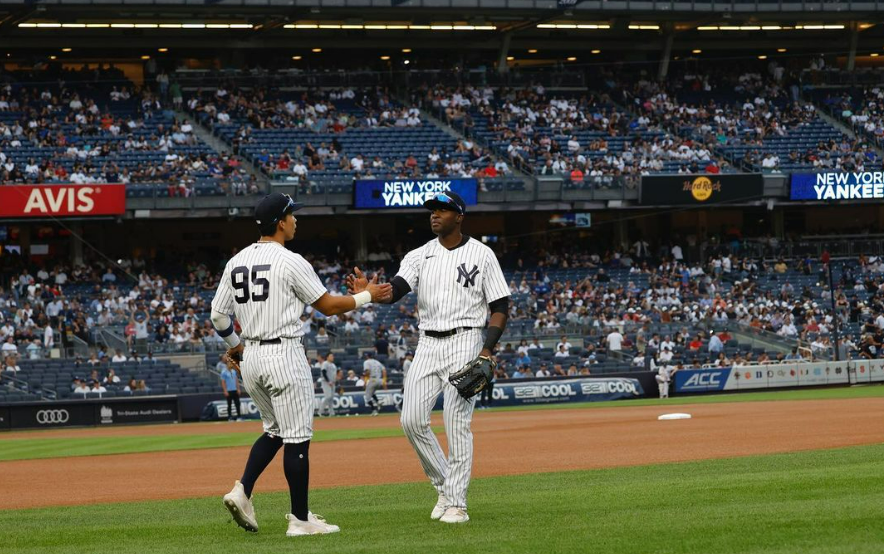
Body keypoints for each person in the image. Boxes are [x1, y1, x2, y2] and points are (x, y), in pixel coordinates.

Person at [212, 193, 391, 537]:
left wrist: (236, 348)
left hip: (253, 358)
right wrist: (368, 295)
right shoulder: (291, 260)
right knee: (297, 439)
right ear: (281, 222)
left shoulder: (235, 261)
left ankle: (243, 490)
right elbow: (328, 307)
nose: (296, 220)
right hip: (283, 354)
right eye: (292, 215)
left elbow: (218, 315)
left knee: (274, 431)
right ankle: (299, 520)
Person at [350, 191, 509, 524]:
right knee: (411, 420)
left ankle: (458, 505)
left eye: (443, 210)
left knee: (456, 424)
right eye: (432, 210)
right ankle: (445, 488)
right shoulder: (419, 255)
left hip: (465, 339)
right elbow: (395, 291)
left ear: (459, 216)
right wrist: (368, 294)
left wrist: (487, 349)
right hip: (427, 342)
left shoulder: (482, 254)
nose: (435, 215)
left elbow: (500, 307)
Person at [362, 351, 385, 416]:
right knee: (371, 392)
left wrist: (364, 374)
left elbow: (368, 371)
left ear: (367, 356)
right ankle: (378, 401)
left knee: (367, 396)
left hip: (373, 379)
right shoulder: (377, 362)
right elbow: (384, 370)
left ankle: (373, 410)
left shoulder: (366, 362)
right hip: (380, 380)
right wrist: (384, 380)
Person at [220, 354, 242, 421]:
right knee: (229, 404)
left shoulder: (233, 372)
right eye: (229, 364)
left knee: (237, 404)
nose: (231, 365)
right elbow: (223, 382)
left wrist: (238, 388)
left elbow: (236, 381)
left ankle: (239, 417)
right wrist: (225, 390)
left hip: (235, 390)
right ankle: (230, 417)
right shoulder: (224, 372)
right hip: (229, 390)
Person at [318, 353, 337, 417]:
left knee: (331, 398)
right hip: (326, 382)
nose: (332, 357)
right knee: (328, 396)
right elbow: (323, 372)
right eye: (331, 356)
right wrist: (328, 381)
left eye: (332, 356)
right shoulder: (325, 363)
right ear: (327, 357)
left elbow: (334, 375)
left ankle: (331, 413)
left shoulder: (333, 365)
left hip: (332, 382)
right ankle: (320, 412)